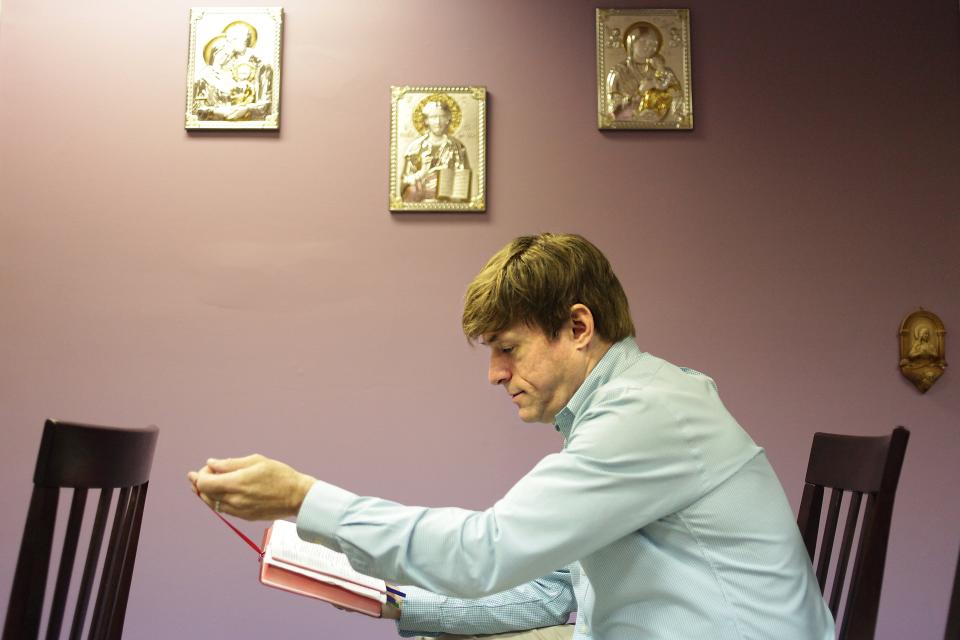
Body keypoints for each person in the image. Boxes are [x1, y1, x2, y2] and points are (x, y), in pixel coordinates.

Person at [189, 233, 835, 639]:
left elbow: (485, 553)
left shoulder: (647, 415)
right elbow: (557, 588)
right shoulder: (629, 410)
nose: (496, 374)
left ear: (578, 326)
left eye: (508, 347)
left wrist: (303, 499)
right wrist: (389, 601)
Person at [193, 20, 274, 121]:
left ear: (247, 40)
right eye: (230, 40)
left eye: (236, 39)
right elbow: (199, 105)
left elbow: (266, 103)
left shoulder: (261, 64)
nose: (229, 46)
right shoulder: (210, 73)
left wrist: (246, 110)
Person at [605, 22, 682, 123]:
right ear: (632, 42)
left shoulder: (664, 72)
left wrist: (661, 82)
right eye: (644, 41)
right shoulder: (618, 73)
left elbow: (678, 98)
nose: (649, 47)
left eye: (653, 44)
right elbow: (614, 110)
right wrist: (641, 92)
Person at [401, 96, 471, 203]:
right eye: (433, 117)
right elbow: (405, 181)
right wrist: (422, 173)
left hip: (448, 200)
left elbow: (462, 181)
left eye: (442, 116)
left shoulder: (457, 147)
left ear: (448, 119)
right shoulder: (415, 148)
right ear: (426, 120)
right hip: (421, 199)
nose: (438, 122)